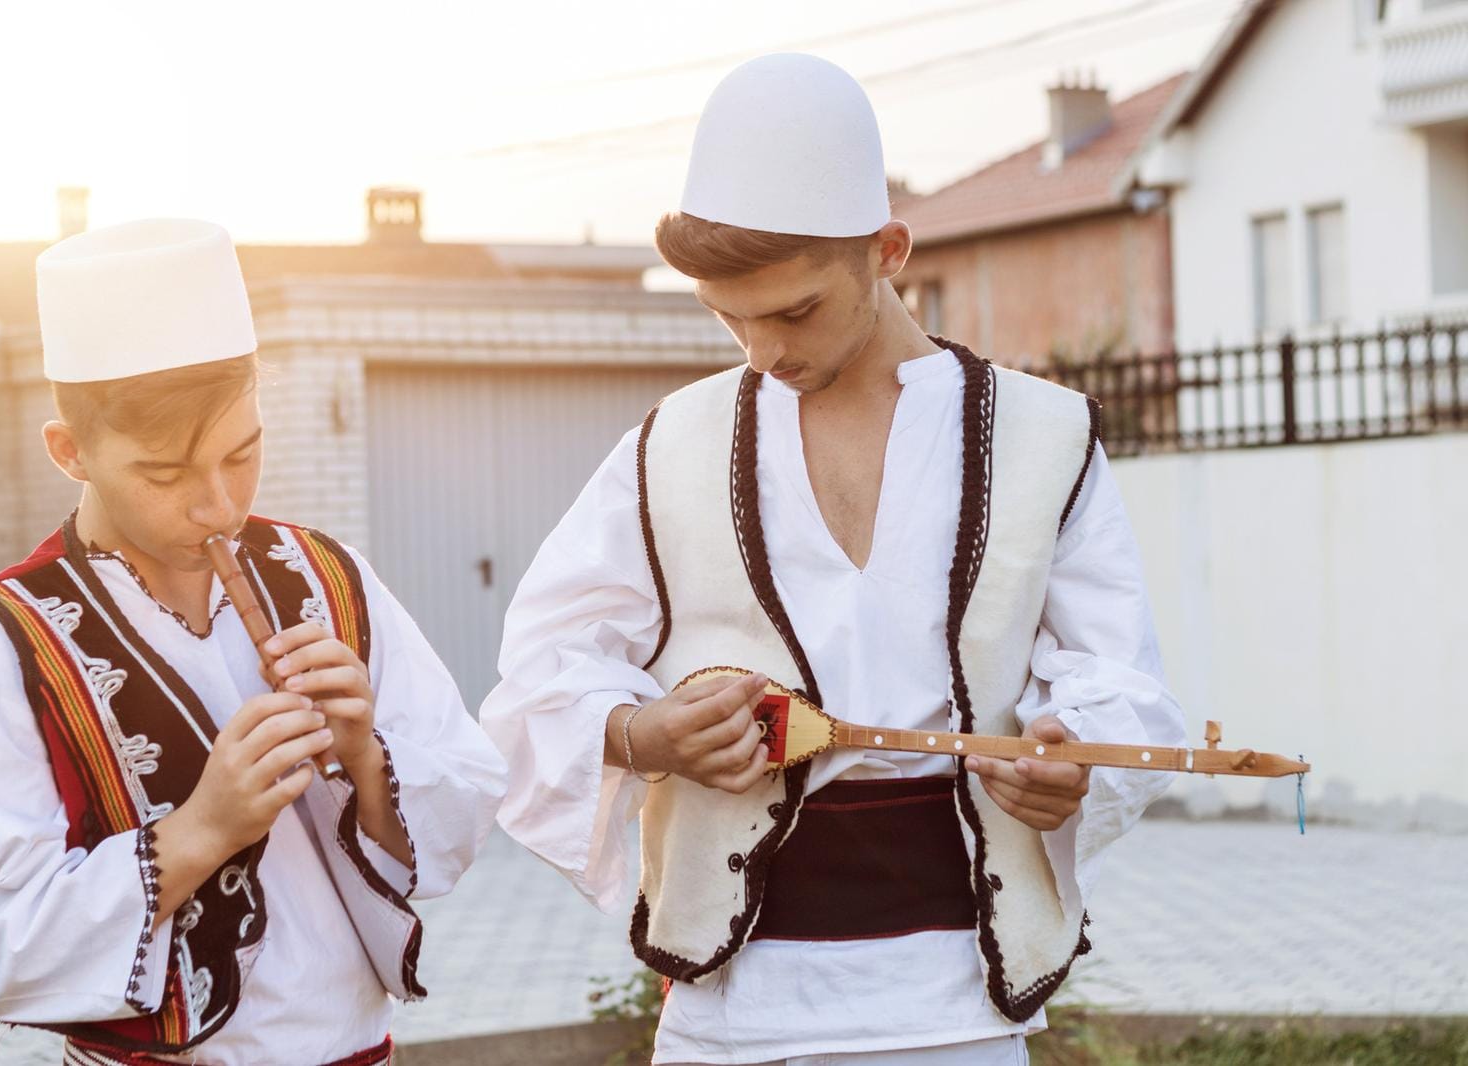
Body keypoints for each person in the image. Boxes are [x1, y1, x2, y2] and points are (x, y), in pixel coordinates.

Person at [480, 54, 1185, 1065]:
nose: (760, 350)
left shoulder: (1043, 437)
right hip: (731, 1009)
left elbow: (1119, 674)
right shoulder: (669, 447)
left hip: (958, 1010)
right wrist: (644, 731)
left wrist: (1071, 753)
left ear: (886, 249)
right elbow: (538, 673)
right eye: (728, 317)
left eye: (794, 311)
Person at [0, 218, 508, 1066]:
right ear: (69, 451)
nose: (218, 507)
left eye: (244, 454)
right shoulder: (3, 646)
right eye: (165, 475)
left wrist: (367, 754)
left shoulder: (329, 576)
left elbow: (466, 797)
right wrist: (202, 828)